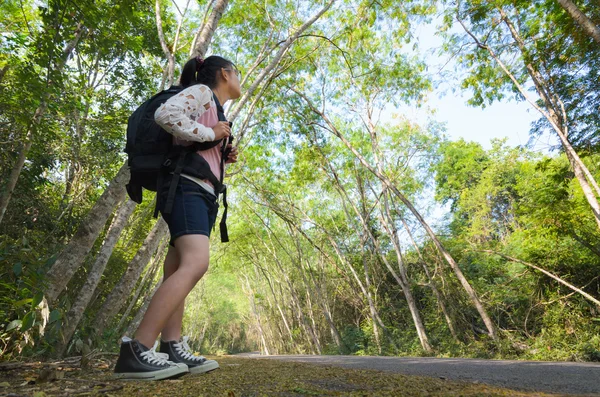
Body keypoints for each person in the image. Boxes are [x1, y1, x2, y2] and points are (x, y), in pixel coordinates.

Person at [113, 55, 241, 380]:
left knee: (177, 267)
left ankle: (171, 346)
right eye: (237, 74)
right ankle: (138, 349)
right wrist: (210, 132)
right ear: (225, 74)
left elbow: (191, 140)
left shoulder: (216, 108)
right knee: (196, 263)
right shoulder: (201, 91)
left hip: (202, 191)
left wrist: (220, 148)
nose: (241, 81)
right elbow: (165, 114)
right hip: (187, 188)